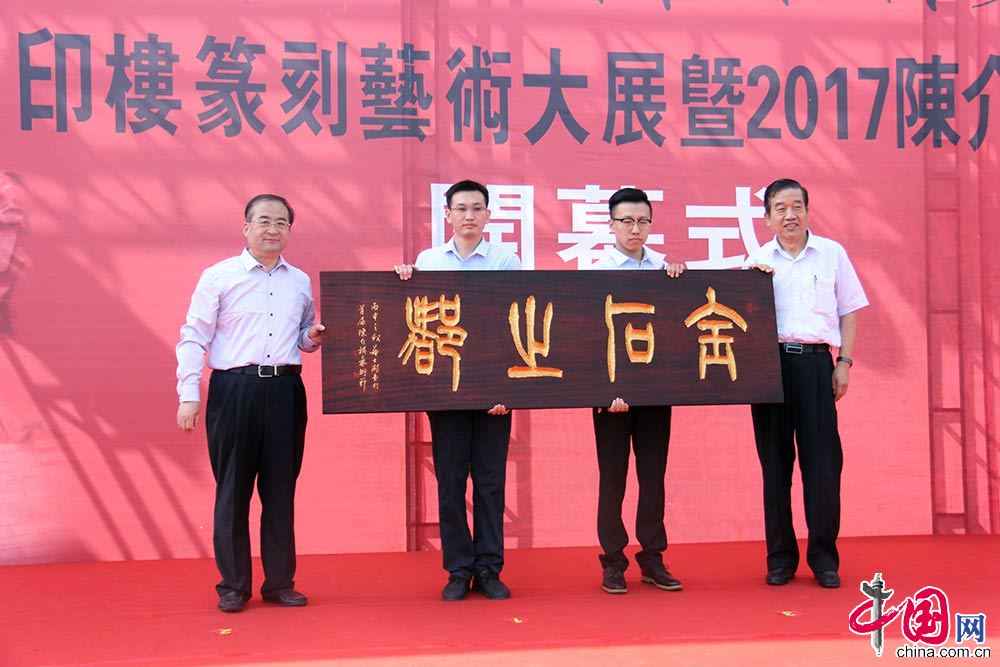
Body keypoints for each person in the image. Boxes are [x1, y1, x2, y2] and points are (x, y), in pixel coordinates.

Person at [176, 194, 325, 612]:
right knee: (233, 491)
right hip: (234, 390)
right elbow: (194, 336)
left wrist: (312, 337)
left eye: (281, 222)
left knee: (280, 491)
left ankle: (279, 583)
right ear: (246, 227)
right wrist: (189, 394)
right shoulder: (219, 276)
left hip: (285, 391)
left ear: (290, 231)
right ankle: (233, 586)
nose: (272, 229)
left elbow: (301, 336)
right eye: (263, 221)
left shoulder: (299, 281)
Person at [394, 179, 520, 601]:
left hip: (493, 394)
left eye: (477, 208)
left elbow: (512, 330)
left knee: (490, 483)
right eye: (461, 208)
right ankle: (458, 569)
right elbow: (416, 318)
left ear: (488, 215)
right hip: (445, 392)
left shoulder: (506, 261)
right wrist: (404, 282)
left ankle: (489, 569)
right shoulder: (428, 260)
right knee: (450, 483)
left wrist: (506, 390)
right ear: (447, 215)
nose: (469, 215)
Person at [745, 178, 868, 589]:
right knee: (775, 467)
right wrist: (752, 283)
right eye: (780, 208)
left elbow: (849, 310)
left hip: (817, 365)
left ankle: (824, 558)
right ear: (767, 218)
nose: (789, 215)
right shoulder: (756, 262)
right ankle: (780, 559)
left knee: (823, 466)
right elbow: (741, 323)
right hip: (769, 370)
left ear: (808, 212)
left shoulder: (832, 254)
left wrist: (844, 362)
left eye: (796, 206)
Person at [591, 187, 685, 595]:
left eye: (642, 221)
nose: (635, 229)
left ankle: (652, 557)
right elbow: (587, 338)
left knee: (653, 476)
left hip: (655, 390)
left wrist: (681, 285)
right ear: (611, 225)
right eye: (627, 221)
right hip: (610, 395)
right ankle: (613, 560)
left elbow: (679, 328)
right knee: (613, 478)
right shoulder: (595, 271)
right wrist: (605, 389)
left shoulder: (666, 269)